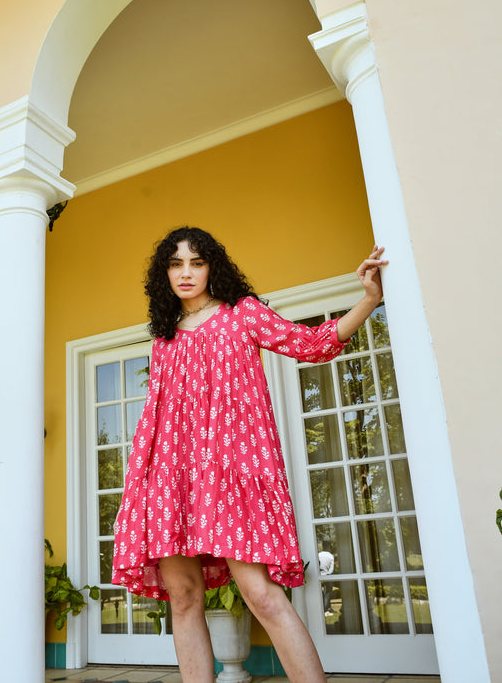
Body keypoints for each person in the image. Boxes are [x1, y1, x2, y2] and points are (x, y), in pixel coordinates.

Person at [112, 226, 387, 683]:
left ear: (212, 266)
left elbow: (311, 345)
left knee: (261, 595)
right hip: (169, 479)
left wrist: (369, 301)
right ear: (164, 273)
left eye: (196, 262)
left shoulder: (242, 314)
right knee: (182, 596)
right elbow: (158, 418)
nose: (186, 273)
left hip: (231, 474)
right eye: (176, 264)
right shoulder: (164, 339)